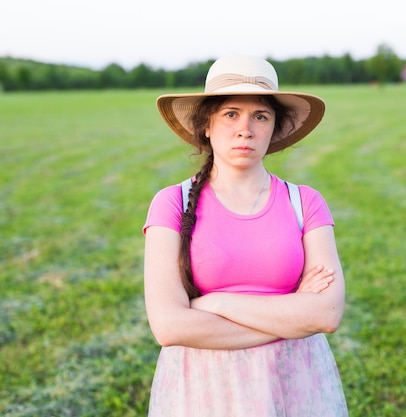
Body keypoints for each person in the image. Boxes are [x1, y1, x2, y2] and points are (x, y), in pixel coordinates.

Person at [142, 54, 348, 416]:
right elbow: (169, 325)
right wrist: (293, 316)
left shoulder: (305, 202)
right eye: (231, 113)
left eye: (261, 116)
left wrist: (215, 303)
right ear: (206, 124)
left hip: (294, 382)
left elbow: (325, 313)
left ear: (275, 129)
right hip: (203, 389)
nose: (245, 129)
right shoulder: (170, 203)